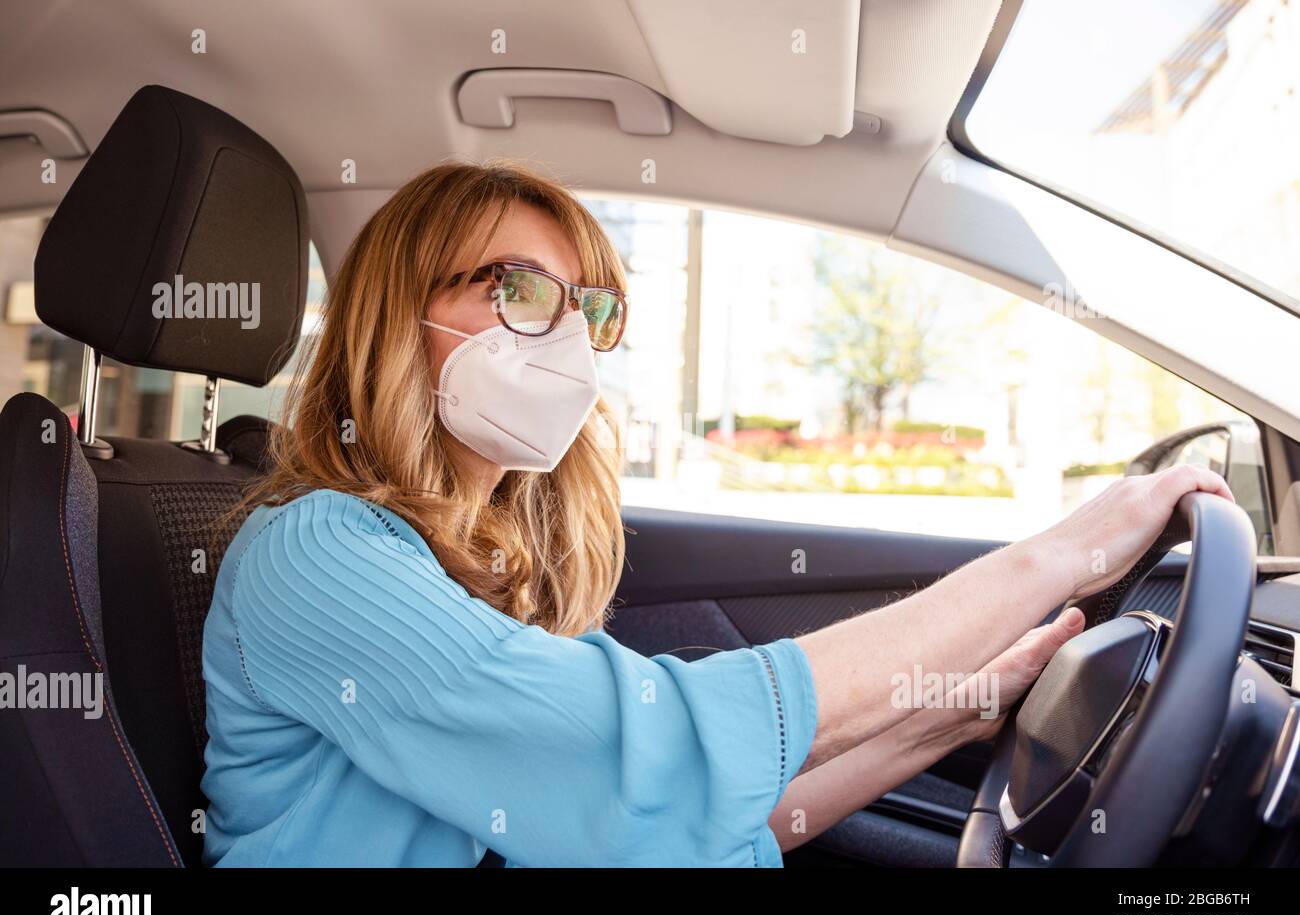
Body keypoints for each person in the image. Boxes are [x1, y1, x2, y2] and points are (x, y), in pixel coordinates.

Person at [200, 160, 1233, 867]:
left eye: (589, 306)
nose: (569, 337)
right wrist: (1062, 552)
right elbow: (637, 751)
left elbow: (673, 820)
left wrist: (945, 718)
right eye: (521, 290)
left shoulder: (471, 562)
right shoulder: (315, 551)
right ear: (398, 314)